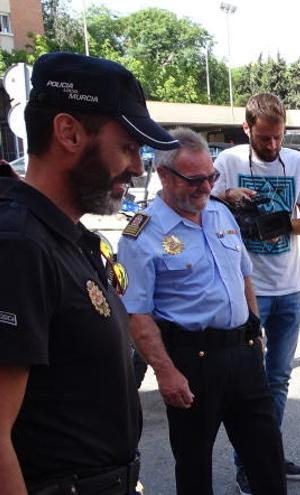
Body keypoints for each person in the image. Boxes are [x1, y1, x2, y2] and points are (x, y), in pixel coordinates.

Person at [0, 52, 178, 495]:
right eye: (127, 147)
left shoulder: (68, 237)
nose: (137, 167)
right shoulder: (18, 245)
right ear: (69, 132)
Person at [117, 128, 287, 494]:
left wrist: (254, 332)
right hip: (191, 361)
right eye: (194, 180)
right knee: (195, 469)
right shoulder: (142, 233)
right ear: (164, 175)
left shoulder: (220, 214)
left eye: (210, 177)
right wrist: (166, 373)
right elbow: (137, 315)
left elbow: (244, 277)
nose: (206, 188)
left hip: (242, 355)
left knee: (268, 460)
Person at [212, 93, 300, 492]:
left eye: (278, 137)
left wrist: (279, 222)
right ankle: (249, 464)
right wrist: (227, 198)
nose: (272, 146)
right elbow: (201, 207)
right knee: (248, 383)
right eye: (264, 138)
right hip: (246, 290)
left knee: (278, 379)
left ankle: (266, 455)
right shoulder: (229, 163)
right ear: (247, 129)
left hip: (290, 289)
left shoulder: (298, 163)